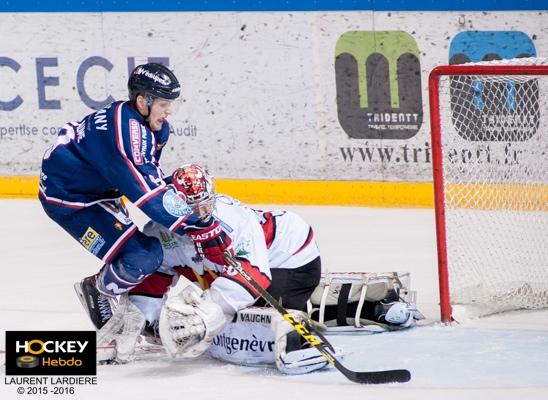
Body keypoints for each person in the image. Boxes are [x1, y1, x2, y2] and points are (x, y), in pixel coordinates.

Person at [97, 164, 422, 374]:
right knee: (235, 321)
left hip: (291, 257)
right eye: (192, 208)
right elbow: (157, 274)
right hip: (238, 271)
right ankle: (369, 301)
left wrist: (208, 313)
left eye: (206, 204)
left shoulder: (232, 220)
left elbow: (255, 275)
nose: (202, 214)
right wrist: (139, 314)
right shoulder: (162, 232)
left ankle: (364, 310)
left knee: (247, 324)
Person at [38, 64, 232, 331]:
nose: (169, 111)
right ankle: (97, 290)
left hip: (99, 189)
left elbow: (149, 177)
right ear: (142, 101)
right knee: (143, 256)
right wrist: (197, 224)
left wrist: (186, 205)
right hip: (70, 200)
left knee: (151, 246)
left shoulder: (148, 125)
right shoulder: (125, 134)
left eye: (170, 104)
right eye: (163, 104)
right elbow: (148, 194)